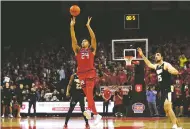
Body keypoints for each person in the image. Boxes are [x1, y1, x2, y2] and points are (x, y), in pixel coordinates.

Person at [138, 48, 182, 129]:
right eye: (155, 55)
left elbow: (175, 71)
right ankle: (178, 125)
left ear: (162, 57)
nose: (156, 56)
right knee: (167, 111)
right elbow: (149, 64)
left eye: (158, 55)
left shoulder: (166, 64)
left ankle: (175, 126)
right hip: (162, 90)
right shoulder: (157, 66)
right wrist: (142, 55)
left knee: (169, 107)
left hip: (167, 88)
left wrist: (172, 71)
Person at [70, 16, 102, 125]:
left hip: (90, 73)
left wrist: (88, 26)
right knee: (88, 96)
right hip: (81, 75)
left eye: (85, 41)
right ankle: (96, 114)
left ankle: (89, 110)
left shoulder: (91, 50)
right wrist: (72, 27)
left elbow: (93, 38)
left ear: (88, 44)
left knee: (89, 94)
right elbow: (73, 39)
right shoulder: (78, 50)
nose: (84, 41)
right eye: (82, 41)